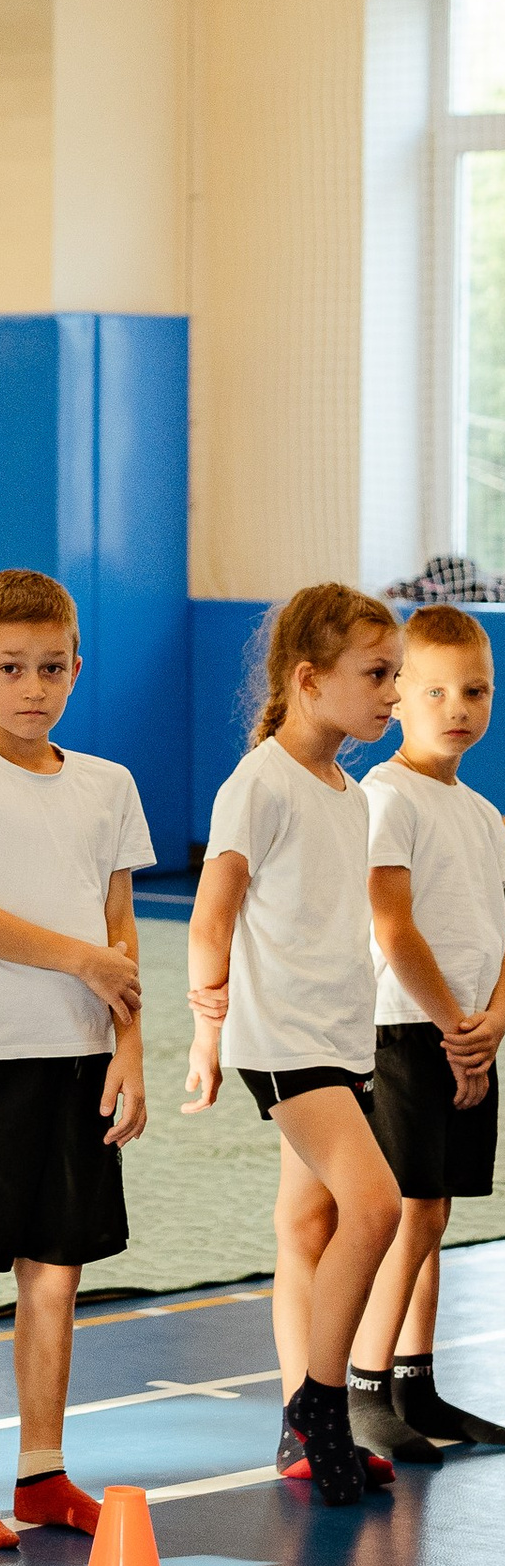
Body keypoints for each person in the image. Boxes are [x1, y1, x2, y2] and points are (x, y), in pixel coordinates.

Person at [0, 570, 153, 1550]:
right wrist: (81, 959)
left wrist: (127, 1043)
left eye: (51, 667)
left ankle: (43, 1472)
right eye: (9, 668)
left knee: (55, 1275)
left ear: (76, 669)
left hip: (78, 1063)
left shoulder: (107, 786)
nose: (31, 686)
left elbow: (121, 927)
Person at [185, 583, 405, 1507]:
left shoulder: (349, 795)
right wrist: (208, 1032)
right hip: (284, 1046)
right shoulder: (260, 781)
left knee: (308, 1225)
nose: (393, 694)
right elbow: (212, 911)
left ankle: (296, 1427)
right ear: (309, 681)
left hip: (339, 1041)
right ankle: (322, 1403)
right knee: (378, 1205)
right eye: (378, 675)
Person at [349, 603, 505, 1458]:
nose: (458, 707)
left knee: (436, 1211)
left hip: (466, 1038)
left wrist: (493, 1027)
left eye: (475, 690)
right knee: (408, 1209)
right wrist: (455, 1027)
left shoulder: (484, 816)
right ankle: (366, 1386)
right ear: (397, 695)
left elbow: (501, 932)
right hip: (406, 1032)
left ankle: (417, 1382)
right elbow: (392, 926)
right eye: (436, 689)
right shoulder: (386, 795)